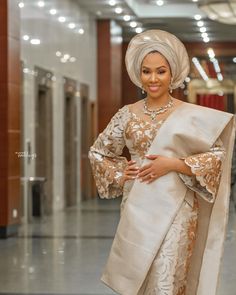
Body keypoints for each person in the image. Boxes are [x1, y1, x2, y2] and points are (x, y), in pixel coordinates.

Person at [88, 30, 235, 295]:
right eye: (147, 71)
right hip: (137, 205)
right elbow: (99, 152)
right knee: (139, 274)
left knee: (168, 276)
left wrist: (173, 164)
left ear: (172, 74)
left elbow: (217, 155)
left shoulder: (190, 115)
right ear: (139, 75)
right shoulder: (127, 115)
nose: (153, 79)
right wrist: (122, 173)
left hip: (178, 207)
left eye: (161, 71)